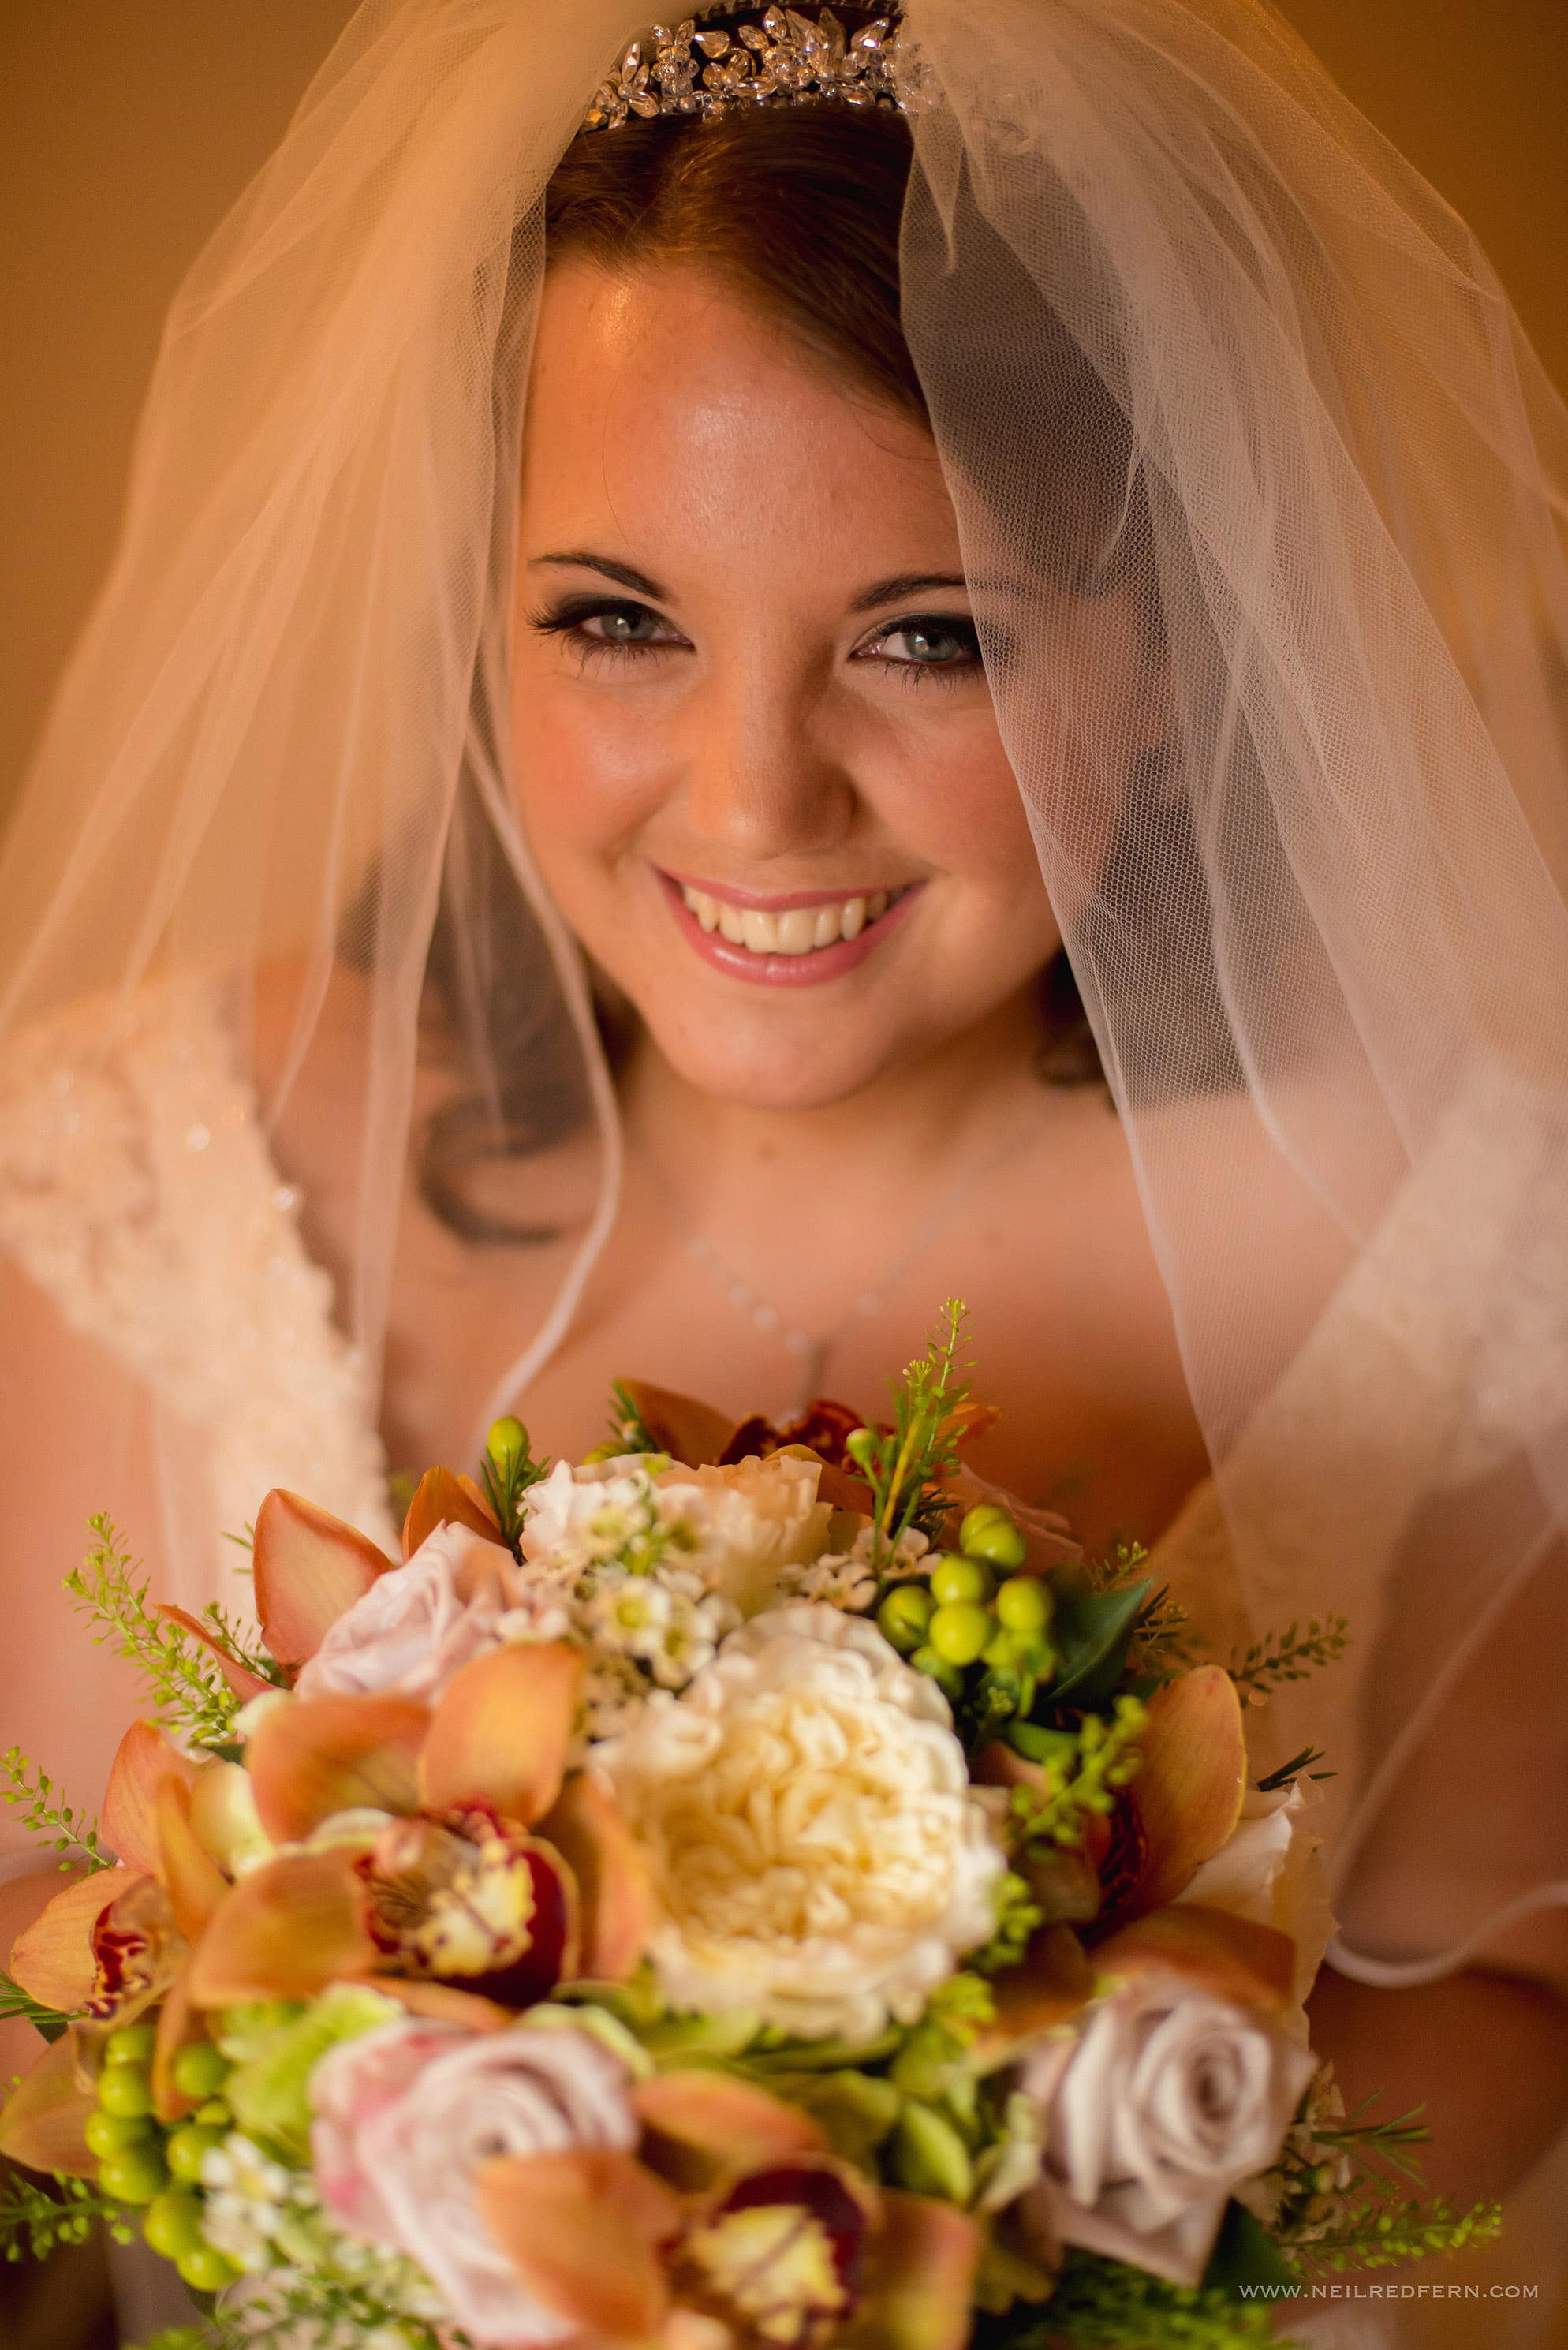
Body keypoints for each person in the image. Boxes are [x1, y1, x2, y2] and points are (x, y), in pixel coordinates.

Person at [2, 0, 1568, 2329]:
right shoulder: (158, 1166)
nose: (752, 804)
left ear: (1162, 646)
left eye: (926, 637)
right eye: (616, 620)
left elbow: (1505, 2032)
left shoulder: (1470, 1248)